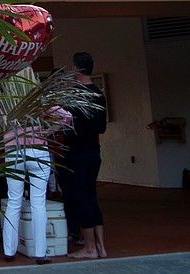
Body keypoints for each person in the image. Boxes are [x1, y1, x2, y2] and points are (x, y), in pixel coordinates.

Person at [0, 68, 71, 264]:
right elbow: (66, 117)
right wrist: (48, 131)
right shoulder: (38, 99)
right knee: (38, 202)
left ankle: (9, 251)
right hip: (37, 150)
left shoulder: (4, 101)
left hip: (13, 152)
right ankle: (40, 253)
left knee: (14, 202)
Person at [66, 52, 108, 260]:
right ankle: (101, 246)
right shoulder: (99, 94)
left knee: (81, 198)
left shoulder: (76, 96)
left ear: (76, 69)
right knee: (92, 196)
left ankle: (89, 247)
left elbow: (68, 125)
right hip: (94, 151)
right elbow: (102, 128)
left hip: (78, 154)